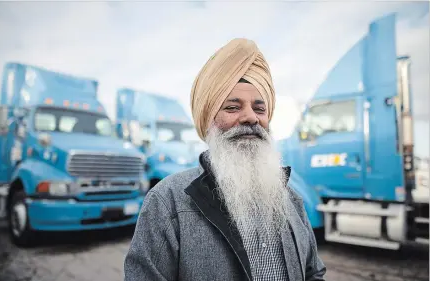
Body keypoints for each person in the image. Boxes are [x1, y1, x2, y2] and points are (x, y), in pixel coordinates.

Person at [124, 38, 326, 281]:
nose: (251, 117)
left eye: (259, 109)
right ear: (208, 119)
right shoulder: (167, 203)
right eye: (233, 107)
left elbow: (313, 273)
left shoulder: (291, 200)